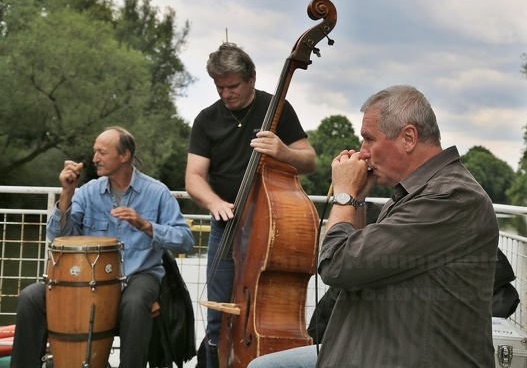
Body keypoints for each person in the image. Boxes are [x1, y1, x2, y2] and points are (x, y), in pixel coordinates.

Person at [247, 84, 499, 367]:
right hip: (382, 344)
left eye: (369, 139)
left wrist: (344, 195)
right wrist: (356, 201)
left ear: (408, 137)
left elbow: (336, 265)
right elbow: (355, 263)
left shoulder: (449, 198)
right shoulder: (414, 192)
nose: (363, 153)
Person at [10, 126, 195, 368]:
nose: (94, 158)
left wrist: (145, 225)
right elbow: (58, 238)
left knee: (135, 302)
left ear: (124, 155)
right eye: (95, 151)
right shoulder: (87, 192)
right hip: (87, 280)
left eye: (102, 152)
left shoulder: (157, 192)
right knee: (30, 297)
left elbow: (185, 240)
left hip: (138, 276)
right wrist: (67, 193)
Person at [185, 42, 316, 367]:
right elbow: (194, 178)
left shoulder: (277, 109)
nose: (226, 93)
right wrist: (214, 202)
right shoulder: (206, 119)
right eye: (220, 87)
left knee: (264, 310)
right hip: (225, 225)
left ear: (252, 78)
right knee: (218, 312)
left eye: (233, 86)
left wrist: (282, 152)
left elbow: (309, 161)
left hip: (271, 223)